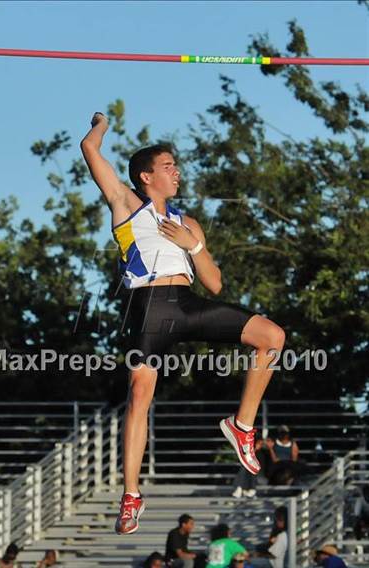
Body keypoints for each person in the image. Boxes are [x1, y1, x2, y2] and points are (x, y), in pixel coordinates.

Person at [81, 112, 286, 534]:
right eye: (168, 166)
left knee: (272, 336)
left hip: (188, 304)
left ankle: (242, 426)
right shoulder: (125, 202)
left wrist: (192, 244)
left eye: (177, 166)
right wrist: (102, 123)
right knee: (140, 396)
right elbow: (89, 149)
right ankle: (131, 495)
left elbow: (214, 283)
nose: (177, 172)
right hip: (149, 307)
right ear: (145, 176)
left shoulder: (187, 222)